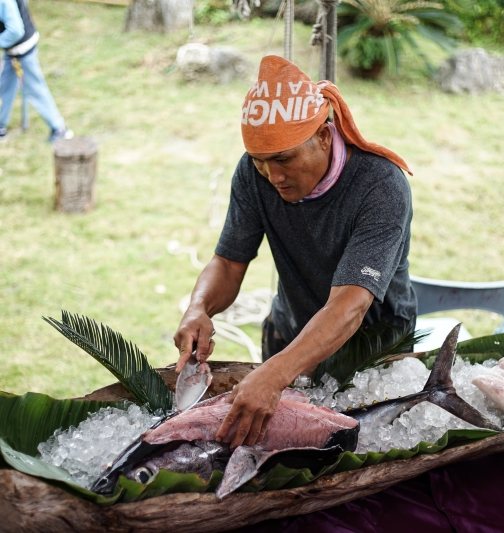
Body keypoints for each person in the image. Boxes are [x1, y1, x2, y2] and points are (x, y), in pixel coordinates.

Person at [173, 56, 417, 448]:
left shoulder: (381, 185)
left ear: (324, 135)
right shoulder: (254, 174)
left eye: (284, 159)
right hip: (290, 332)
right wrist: (198, 308)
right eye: (262, 162)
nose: (274, 177)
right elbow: (228, 262)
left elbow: (349, 305)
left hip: (377, 348)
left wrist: (274, 374)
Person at [0, 0, 72, 143]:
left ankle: (60, 129)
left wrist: (0, 41)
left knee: (34, 89)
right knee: (6, 85)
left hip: (21, 51)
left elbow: (16, 30)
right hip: (15, 50)